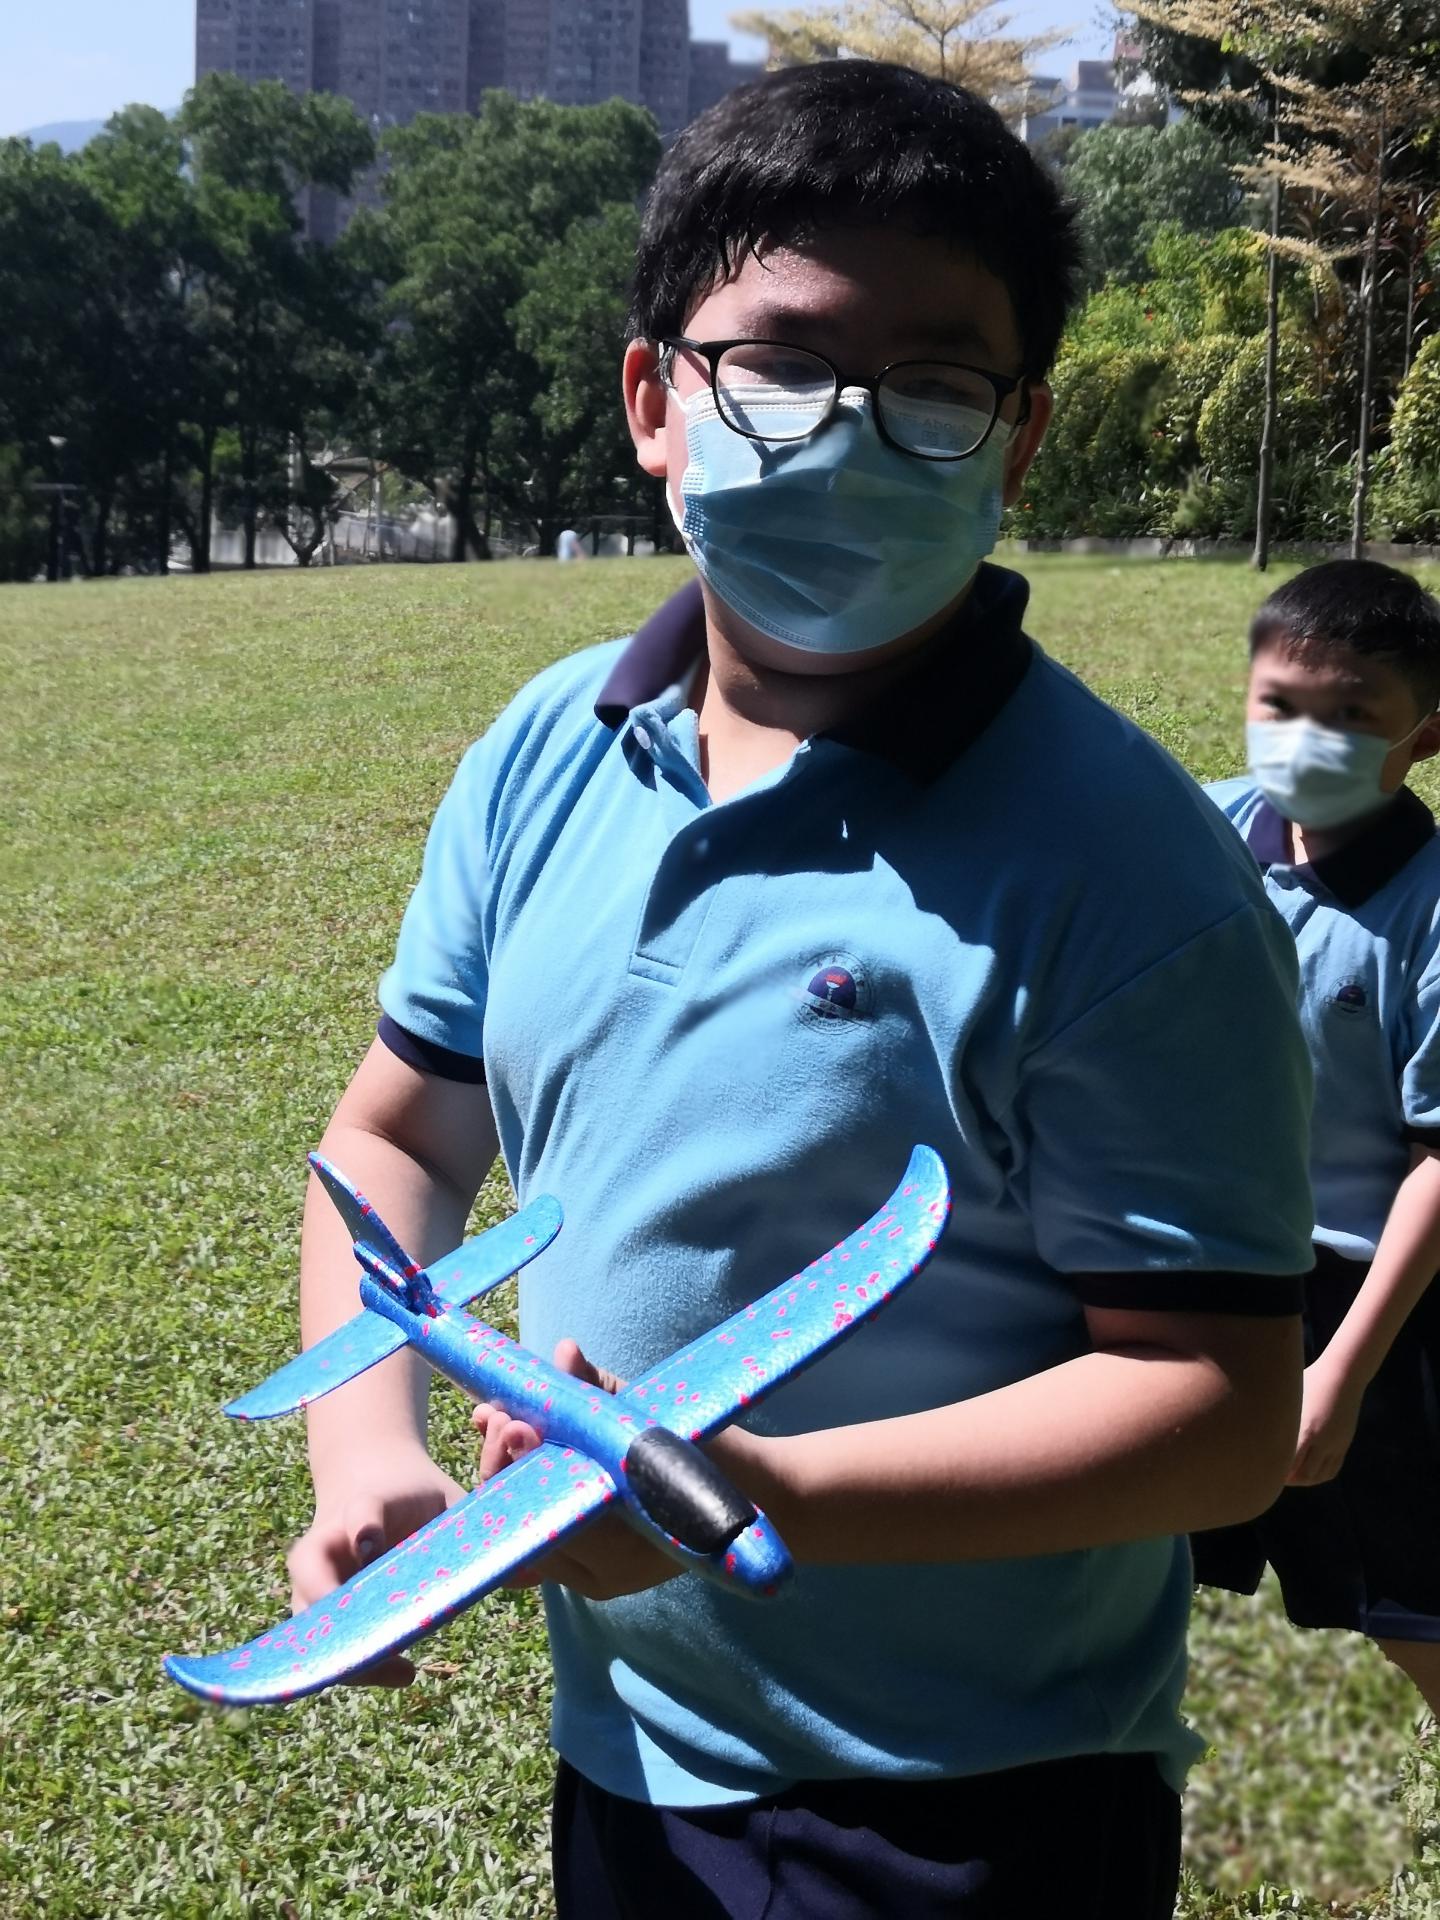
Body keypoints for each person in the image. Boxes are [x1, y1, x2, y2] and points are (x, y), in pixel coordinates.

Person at [286, 61, 1312, 1919]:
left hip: (969, 1803)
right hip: (632, 1742)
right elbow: (398, 1134)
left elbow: (1224, 1411)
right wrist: (370, 1455)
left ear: (1016, 441)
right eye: (778, 366)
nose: (846, 434)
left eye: (932, 385)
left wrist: (748, 1491)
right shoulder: (546, 751)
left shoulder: (1133, 875)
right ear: (653, 401)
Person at [1191, 560, 1440, 1716]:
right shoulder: (1196, 834)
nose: (1305, 739)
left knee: (1413, 1599)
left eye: (1351, 715)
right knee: (1130, 1549)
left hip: (1363, 1300)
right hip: (1191, 1265)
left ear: (1424, 737)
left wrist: (1343, 1371)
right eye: (1280, 705)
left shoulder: (1427, 909)